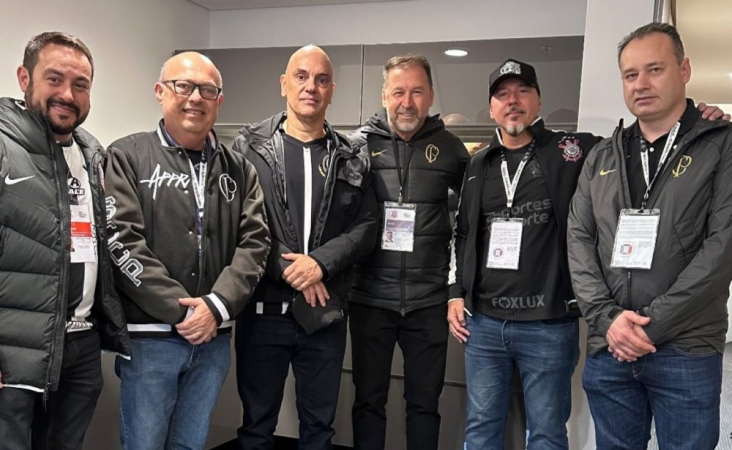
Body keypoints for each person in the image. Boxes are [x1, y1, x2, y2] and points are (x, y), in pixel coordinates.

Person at [449, 57, 728, 449]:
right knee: (479, 428)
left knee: (546, 432)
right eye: (502, 95)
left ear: (539, 102)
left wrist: (698, 118)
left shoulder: (575, 150)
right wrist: (455, 291)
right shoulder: (478, 162)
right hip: (485, 324)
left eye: (523, 91)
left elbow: (641, 136)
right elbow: (463, 232)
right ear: (492, 107)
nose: (513, 102)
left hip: (547, 324)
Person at [567, 22, 732, 450]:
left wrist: (647, 327)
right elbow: (580, 239)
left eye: (655, 70)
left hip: (686, 349)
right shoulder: (602, 155)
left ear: (685, 70)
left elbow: (722, 246)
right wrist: (608, 320)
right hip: (610, 347)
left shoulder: (722, 145)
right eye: (630, 74)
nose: (641, 84)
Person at [104, 51, 270, 450]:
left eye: (208, 90)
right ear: (161, 92)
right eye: (184, 86)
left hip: (213, 339)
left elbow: (255, 243)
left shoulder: (239, 169)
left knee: (191, 445)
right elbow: (121, 240)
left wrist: (215, 306)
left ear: (219, 101)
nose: (195, 97)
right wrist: (183, 311)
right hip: (150, 340)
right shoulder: (127, 156)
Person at [233, 45, 378, 450]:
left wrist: (320, 264)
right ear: (284, 84)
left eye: (320, 79)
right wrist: (293, 270)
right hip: (263, 313)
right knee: (256, 428)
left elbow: (367, 225)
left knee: (319, 430)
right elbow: (242, 223)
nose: (310, 87)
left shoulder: (351, 155)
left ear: (332, 90)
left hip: (325, 315)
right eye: (300, 76)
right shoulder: (249, 149)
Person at [0, 31, 130, 449]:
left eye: (80, 85)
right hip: (14, 351)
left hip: (80, 344)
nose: (67, 95)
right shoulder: (4, 147)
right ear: (25, 77)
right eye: (54, 79)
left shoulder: (94, 155)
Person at [348, 54, 470, 450]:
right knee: (368, 402)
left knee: (424, 405)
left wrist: (456, 286)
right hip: (370, 300)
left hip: (429, 302)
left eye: (417, 91)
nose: (407, 102)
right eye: (398, 91)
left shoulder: (451, 149)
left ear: (431, 95)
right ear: (384, 94)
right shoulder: (358, 147)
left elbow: (472, 217)